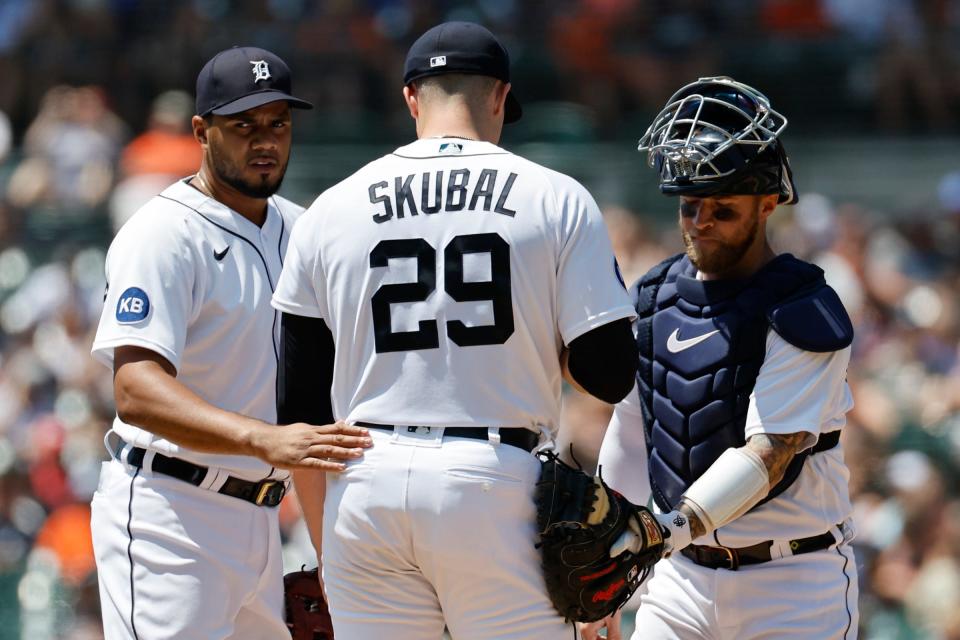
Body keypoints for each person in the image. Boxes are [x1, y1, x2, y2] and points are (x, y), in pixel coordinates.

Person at [272, 21, 638, 640]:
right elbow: (609, 373)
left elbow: (298, 410)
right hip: (495, 479)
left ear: (411, 98)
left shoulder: (329, 208)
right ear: (499, 96)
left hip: (367, 481)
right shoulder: (555, 197)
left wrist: (329, 545)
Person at [89, 46, 371, 639]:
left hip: (264, 517)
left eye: (277, 124)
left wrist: (330, 556)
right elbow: (135, 390)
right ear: (201, 131)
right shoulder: (163, 233)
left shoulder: (304, 229)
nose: (264, 140)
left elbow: (309, 417)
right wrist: (263, 439)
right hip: (171, 511)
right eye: (243, 126)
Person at [581, 76, 860, 640]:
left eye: (723, 208)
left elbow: (771, 453)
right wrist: (607, 570)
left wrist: (660, 533)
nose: (701, 221)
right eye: (690, 205)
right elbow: (635, 433)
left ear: (767, 203)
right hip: (679, 580)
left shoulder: (804, 306)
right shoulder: (654, 299)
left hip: (792, 582)